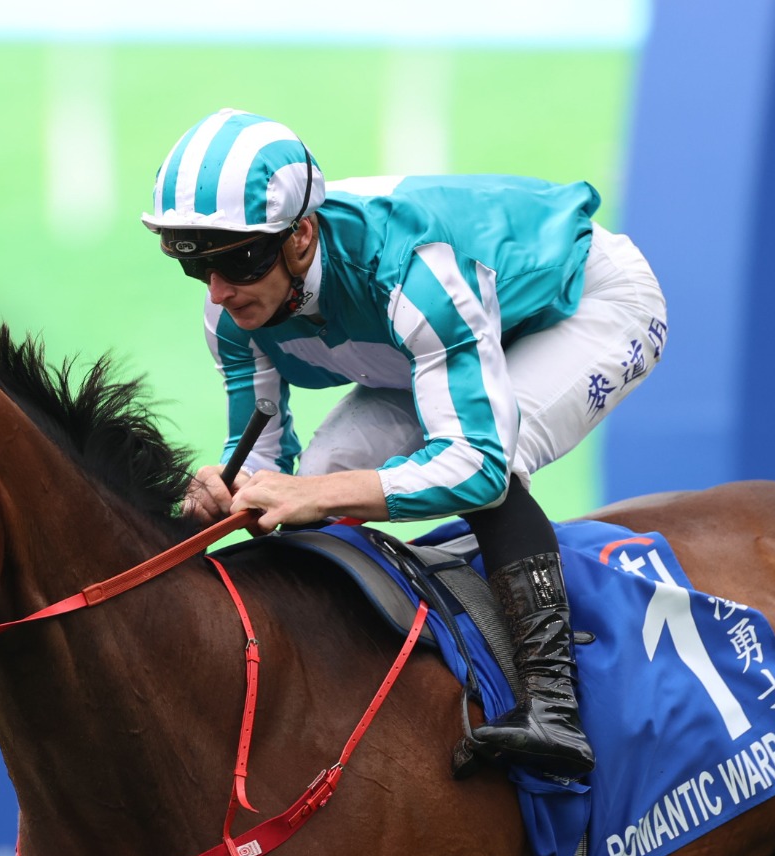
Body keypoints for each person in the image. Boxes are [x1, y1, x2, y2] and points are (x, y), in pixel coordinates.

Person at [144, 109, 668, 779]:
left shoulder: (411, 270)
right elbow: (265, 462)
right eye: (197, 266)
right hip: (437, 339)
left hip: (585, 304)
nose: (218, 290)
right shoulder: (231, 311)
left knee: (490, 457)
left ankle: (553, 706)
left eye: (235, 261)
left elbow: (475, 468)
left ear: (301, 236)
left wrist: (315, 493)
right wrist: (224, 493)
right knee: (328, 473)